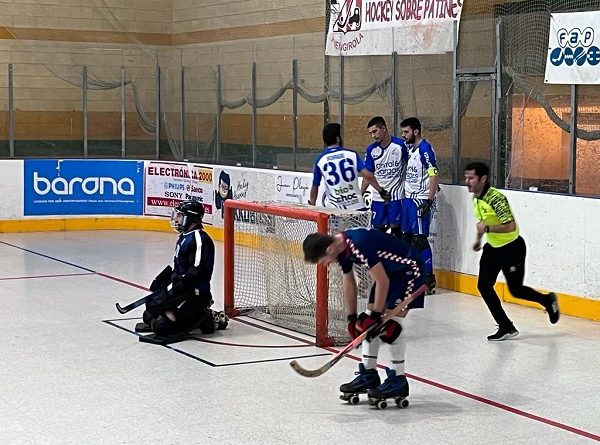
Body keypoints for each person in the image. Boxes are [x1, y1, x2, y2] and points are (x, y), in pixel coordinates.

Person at [302, 228, 426, 403]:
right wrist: (352, 318)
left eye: (323, 261)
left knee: (391, 326)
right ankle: (368, 374)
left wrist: (376, 318)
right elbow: (349, 281)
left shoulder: (358, 244)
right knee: (366, 324)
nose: (325, 264)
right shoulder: (341, 248)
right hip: (390, 272)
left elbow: (382, 281)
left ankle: (398, 379)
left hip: (408, 270)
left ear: (329, 249)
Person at [464, 162, 559, 341]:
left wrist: (487, 230)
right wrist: (478, 239)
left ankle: (547, 300)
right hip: (492, 248)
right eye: (466, 178)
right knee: (483, 285)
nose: (467, 182)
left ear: (483, 179)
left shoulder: (496, 198)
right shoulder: (476, 198)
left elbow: (510, 226)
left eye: (471, 178)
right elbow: (482, 223)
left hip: (511, 248)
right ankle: (505, 326)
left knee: (516, 290)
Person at [140, 200, 228, 339]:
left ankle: (207, 318)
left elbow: (196, 269)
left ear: (191, 218)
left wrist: (181, 284)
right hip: (181, 290)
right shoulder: (184, 237)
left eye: (180, 216)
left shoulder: (200, 239)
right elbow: (180, 267)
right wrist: (166, 279)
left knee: (160, 325)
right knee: (148, 316)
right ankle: (193, 316)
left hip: (195, 294)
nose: (176, 220)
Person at [309, 123, 390, 210]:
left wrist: (312, 204)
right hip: (357, 207)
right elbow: (368, 175)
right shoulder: (352, 154)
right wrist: (381, 191)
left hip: (336, 210)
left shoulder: (320, 160)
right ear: (338, 138)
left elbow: (315, 186)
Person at [400, 117, 438, 292]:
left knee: (419, 240)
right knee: (406, 238)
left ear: (416, 132)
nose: (403, 135)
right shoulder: (411, 148)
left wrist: (429, 200)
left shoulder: (425, 149)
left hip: (420, 199)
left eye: (406, 132)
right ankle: (412, 277)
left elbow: (434, 175)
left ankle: (428, 280)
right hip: (408, 199)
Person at [361, 116, 407, 238]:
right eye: (371, 133)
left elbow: (412, 166)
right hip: (378, 198)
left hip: (396, 197)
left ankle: (398, 250)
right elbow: (368, 175)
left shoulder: (400, 145)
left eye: (375, 131)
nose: (373, 136)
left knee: (396, 230)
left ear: (384, 128)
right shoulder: (371, 150)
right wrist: (361, 194)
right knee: (377, 231)